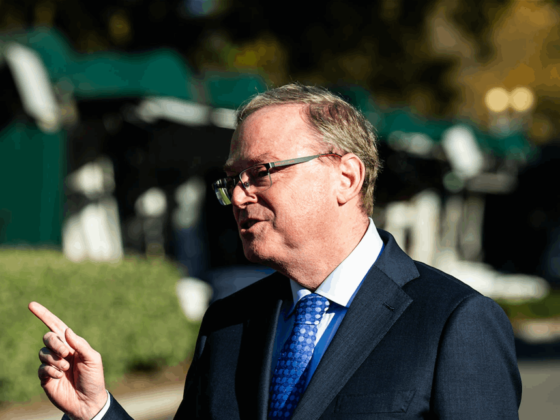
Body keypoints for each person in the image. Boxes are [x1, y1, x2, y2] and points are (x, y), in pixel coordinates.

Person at [30, 83, 522, 420]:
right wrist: (97, 410)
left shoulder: (454, 321)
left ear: (346, 177)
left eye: (261, 172)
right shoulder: (228, 324)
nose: (239, 196)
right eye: (232, 180)